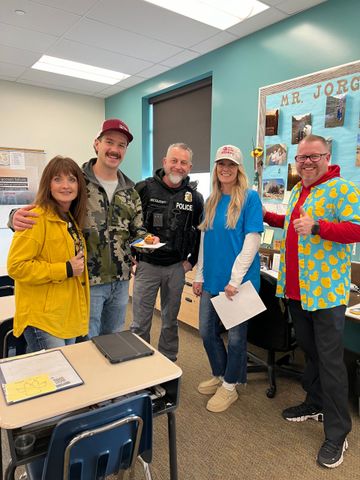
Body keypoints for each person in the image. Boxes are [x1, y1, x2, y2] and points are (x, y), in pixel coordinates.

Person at [263, 134, 360, 468]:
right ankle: (315, 403)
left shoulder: (342, 189)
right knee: (313, 355)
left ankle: (338, 434)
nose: (305, 162)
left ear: (327, 156)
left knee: (332, 363)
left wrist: (318, 227)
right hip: (295, 292)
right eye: (301, 157)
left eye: (312, 156)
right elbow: (290, 224)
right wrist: (264, 215)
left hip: (325, 294)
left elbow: (357, 229)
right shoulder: (296, 191)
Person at [9, 119, 154, 338]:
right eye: (109, 142)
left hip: (121, 280)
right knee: (86, 343)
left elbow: (137, 231)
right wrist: (13, 217)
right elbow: (45, 208)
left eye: (121, 145)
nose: (115, 149)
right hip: (86, 280)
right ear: (97, 144)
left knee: (114, 339)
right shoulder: (77, 182)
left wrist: (147, 243)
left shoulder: (131, 191)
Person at [192, 145, 263, 412]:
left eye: (231, 165)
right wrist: (199, 275)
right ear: (216, 168)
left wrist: (235, 279)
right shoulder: (211, 200)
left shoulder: (249, 198)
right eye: (221, 164)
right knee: (206, 332)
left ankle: (230, 386)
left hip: (239, 282)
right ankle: (221, 375)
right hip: (212, 277)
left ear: (238, 169)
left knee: (235, 338)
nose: (225, 169)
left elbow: (252, 240)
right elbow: (204, 240)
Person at [7, 156, 89, 352]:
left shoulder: (70, 218)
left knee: (64, 374)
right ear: (48, 185)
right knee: (53, 378)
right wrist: (66, 268)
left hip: (65, 314)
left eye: (71, 179)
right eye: (57, 179)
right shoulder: (36, 217)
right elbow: (16, 266)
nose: (65, 185)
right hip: (43, 319)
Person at [130, 143, 204, 361]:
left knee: (170, 321)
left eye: (183, 162)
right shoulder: (143, 188)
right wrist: (131, 256)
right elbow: (130, 225)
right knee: (140, 322)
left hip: (176, 268)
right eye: (174, 160)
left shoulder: (195, 198)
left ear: (189, 167)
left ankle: (167, 362)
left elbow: (201, 233)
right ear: (164, 162)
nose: (178, 166)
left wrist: (191, 262)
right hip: (147, 266)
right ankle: (139, 363)